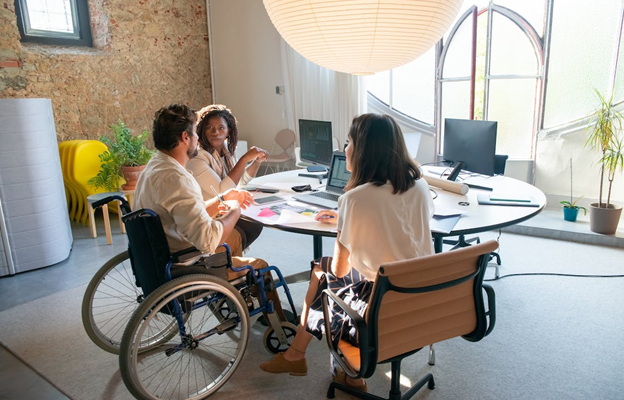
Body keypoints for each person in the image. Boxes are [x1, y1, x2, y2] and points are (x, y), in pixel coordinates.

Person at [259, 113, 434, 390]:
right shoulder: (420, 186)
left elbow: (340, 270)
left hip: (381, 302)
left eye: (349, 142)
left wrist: (346, 220)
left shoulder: (354, 199)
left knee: (322, 272)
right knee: (323, 270)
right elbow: (400, 225)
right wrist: (349, 217)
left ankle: (338, 369)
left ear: (364, 150)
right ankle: (302, 356)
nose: (345, 150)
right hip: (422, 295)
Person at [133, 103, 285, 317]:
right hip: (188, 264)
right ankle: (278, 325)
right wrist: (234, 209)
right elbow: (207, 240)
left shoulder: (155, 166)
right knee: (262, 266)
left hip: (158, 257)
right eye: (196, 132)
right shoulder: (178, 179)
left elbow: (184, 211)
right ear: (186, 137)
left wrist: (222, 199)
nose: (198, 138)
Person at [187, 104, 267, 254]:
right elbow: (223, 191)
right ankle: (227, 259)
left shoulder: (225, 153)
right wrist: (244, 159)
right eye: (209, 127)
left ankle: (230, 258)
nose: (215, 132)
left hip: (221, 210)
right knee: (250, 224)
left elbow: (239, 181)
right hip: (207, 216)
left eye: (221, 128)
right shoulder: (198, 158)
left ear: (229, 131)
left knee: (255, 222)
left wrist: (256, 162)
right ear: (202, 130)